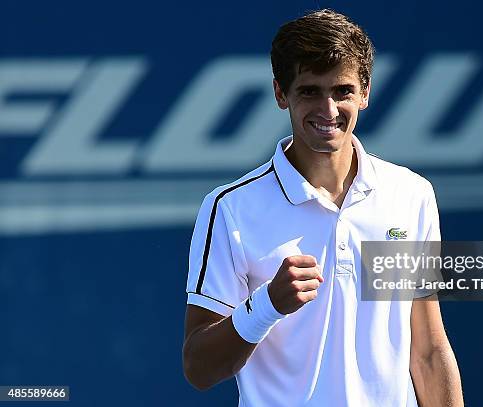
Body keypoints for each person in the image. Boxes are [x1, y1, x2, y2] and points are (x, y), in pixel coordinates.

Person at [183, 9, 463, 406]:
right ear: (281, 94)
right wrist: (266, 305)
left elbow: (429, 351)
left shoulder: (410, 195)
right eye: (310, 90)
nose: (328, 109)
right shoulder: (230, 208)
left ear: (365, 92)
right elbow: (198, 367)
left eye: (343, 91)